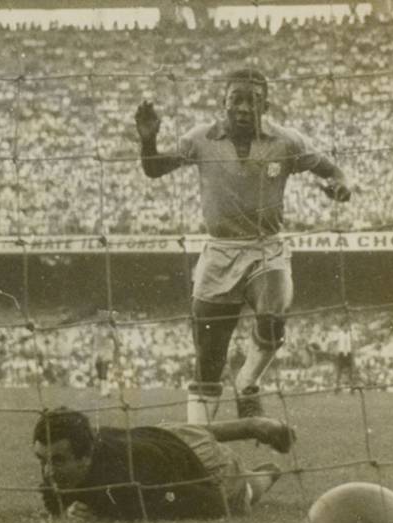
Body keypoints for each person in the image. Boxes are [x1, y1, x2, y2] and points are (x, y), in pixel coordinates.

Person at [135, 68, 353, 423]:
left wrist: (341, 186)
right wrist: (147, 141)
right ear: (223, 101)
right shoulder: (200, 139)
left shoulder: (286, 142)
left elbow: (332, 170)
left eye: (252, 100)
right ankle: (199, 439)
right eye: (236, 98)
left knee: (273, 309)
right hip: (219, 251)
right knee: (207, 358)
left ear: (265, 105)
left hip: (266, 246)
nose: (243, 107)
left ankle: (248, 382)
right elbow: (154, 169)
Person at [32, 407, 295, 521]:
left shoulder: (127, 481)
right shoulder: (75, 449)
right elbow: (53, 496)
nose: (47, 472)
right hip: (163, 434)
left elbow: (210, 502)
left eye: (58, 460)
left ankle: (267, 474)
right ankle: (251, 425)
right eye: (42, 460)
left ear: (86, 456)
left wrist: (105, 513)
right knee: (183, 433)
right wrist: (66, 509)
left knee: (237, 496)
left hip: (201, 462)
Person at [91, 309, 121, 397]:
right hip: (97, 350)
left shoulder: (109, 329)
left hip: (106, 350)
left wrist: (116, 350)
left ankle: (105, 390)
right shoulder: (95, 327)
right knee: (98, 368)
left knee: (104, 367)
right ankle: (103, 389)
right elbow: (94, 336)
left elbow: (116, 339)